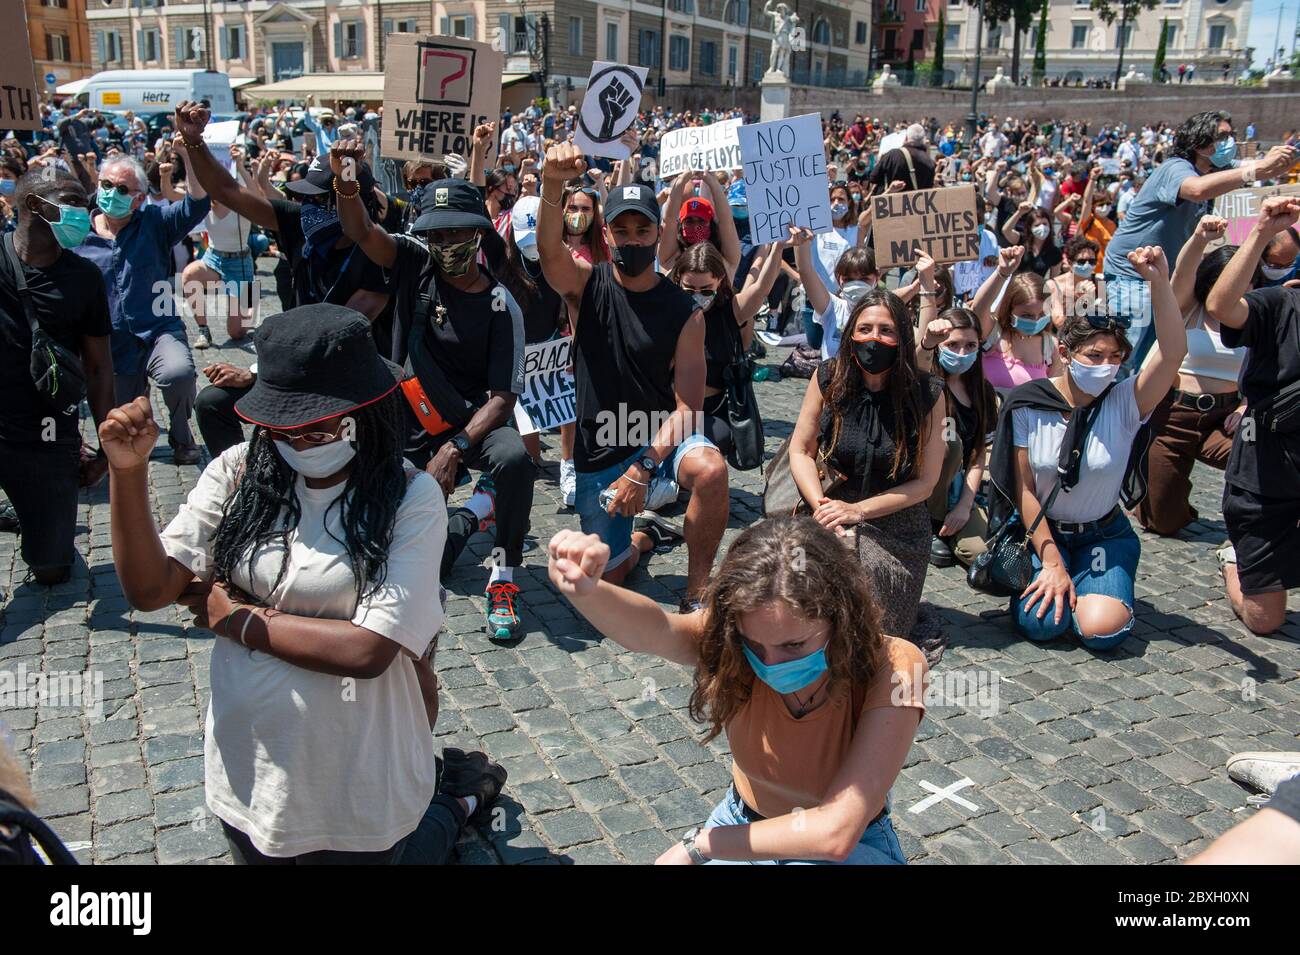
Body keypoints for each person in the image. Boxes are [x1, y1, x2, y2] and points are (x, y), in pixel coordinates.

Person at [102, 304, 507, 864]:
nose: (303, 439)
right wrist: (127, 473)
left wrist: (234, 616)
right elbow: (149, 591)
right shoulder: (237, 472)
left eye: (322, 424)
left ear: (367, 413)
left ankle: (459, 801)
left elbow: (367, 649)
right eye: (286, 426)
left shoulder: (410, 498)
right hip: (252, 774)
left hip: (360, 782)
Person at [548, 516, 926, 865]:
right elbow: (658, 630)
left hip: (845, 845)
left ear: (841, 616)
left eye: (793, 646)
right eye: (755, 645)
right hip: (743, 818)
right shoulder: (730, 636)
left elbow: (836, 831)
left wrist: (698, 845)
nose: (771, 664)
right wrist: (588, 590)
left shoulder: (894, 665)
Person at [330, 141, 535, 640]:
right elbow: (360, 228)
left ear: (479, 233)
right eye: (436, 234)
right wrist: (346, 181)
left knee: (514, 459)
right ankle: (463, 520)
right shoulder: (412, 265)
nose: (445, 243)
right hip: (405, 419)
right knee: (423, 560)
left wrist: (457, 447)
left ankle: (504, 576)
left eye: (456, 232)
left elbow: (503, 398)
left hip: (468, 425)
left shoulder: (500, 304)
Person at [537, 145, 729, 612]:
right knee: (608, 584)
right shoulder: (586, 284)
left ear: (659, 231)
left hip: (657, 444)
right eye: (621, 230)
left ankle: (696, 592)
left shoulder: (685, 311)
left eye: (642, 229)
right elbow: (548, 250)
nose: (632, 240)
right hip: (599, 447)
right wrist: (550, 185)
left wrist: (643, 467)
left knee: (711, 469)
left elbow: (688, 408)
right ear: (606, 233)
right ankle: (643, 540)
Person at [989, 245, 1186, 648]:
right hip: (1045, 532)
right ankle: (1066, 581)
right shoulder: (1029, 401)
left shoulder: (1127, 400)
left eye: (1115, 357)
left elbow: (1172, 353)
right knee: (1042, 626)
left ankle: (1097, 585)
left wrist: (1159, 282)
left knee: (1101, 632)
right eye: (1094, 355)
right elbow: (1024, 489)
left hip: (1102, 534)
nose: (1106, 366)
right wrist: (1051, 560)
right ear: (1065, 352)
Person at [787, 285, 946, 661]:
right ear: (851, 334)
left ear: (902, 338)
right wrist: (821, 504)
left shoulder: (928, 393)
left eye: (886, 330)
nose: (874, 338)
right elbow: (800, 450)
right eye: (865, 329)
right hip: (830, 511)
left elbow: (926, 482)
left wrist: (859, 512)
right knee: (796, 602)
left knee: (862, 624)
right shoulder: (829, 377)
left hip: (897, 527)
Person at [1102, 111, 1297, 368]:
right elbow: (1196, 189)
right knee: (1122, 356)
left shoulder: (1211, 173)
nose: (1229, 141)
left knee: (1150, 358)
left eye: (1231, 135)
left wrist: (1275, 163)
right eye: (1222, 136)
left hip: (1162, 279)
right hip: (1133, 274)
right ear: (1199, 142)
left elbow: (1237, 171)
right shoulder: (1175, 168)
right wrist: (1257, 169)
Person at [0, 168, 115, 585]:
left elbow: (100, 367)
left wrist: (106, 446)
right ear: (33, 205)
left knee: (52, 569)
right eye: (70, 201)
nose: (83, 211)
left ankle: (32, 516)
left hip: (46, 433)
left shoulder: (84, 278)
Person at [73, 152, 210, 466]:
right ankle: (142, 411)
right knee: (128, 423)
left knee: (178, 374)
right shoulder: (79, 233)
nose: (111, 193)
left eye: (122, 190)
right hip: (111, 344)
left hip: (158, 329)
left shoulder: (155, 222)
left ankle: (181, 434)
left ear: (139, 199)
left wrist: (190, 150)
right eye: (106, 184)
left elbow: (197, 203)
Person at [1205, 195, 1300, 635]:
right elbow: (1221, 308)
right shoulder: (1280, 305)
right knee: (1265, 621)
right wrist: (1261, 230)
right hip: (1266, 483)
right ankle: (1234, 559)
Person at [1136, 217, 1245, 536]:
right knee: (1163, 522)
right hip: (1172, 416)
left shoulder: (1256, 315)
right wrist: (1199, 238)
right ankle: (1161, 492)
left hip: (1225, 419)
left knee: (1272, 452)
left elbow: (1269, 371)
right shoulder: (1186, 308)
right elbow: (1181, 276)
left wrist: (1245, 406)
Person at [671, 239, 784, 457]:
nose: (698, 297)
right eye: (689, 290)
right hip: (669, 409)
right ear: (678, 281)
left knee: (704, 453)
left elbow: (762, 288)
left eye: (706, 290)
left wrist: (777, 248)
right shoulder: (668, 309)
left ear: (719, 281)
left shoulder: (730, 310)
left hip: (713, 410)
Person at [916, 293, 996, 569]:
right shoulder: (926, 382)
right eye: (953, 345)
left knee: (978, 554)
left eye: (970, 345)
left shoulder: (983, 392)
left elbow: (978, 455)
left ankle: (949, 527)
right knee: (950, 443)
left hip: (957, 488)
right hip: (919, 485)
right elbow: (917, 362)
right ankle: (927, 524)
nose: (962, 353)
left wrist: (964, 505)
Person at [973, 246, 1061, 397]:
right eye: (1026, 315)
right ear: (1009, 309)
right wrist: (1002, 273)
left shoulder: (1050, 346)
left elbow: (1055, 395)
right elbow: (979, 308)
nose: (1035, 320)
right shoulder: (993, 335)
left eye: (1042, 314)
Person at [870, 124, 936, 193]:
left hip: (893, 202)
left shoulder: (892, 155)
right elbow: (929, 188)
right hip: (919, 203)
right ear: (923, 140)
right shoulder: (929, 162)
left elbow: (873, 178)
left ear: (906, 138)